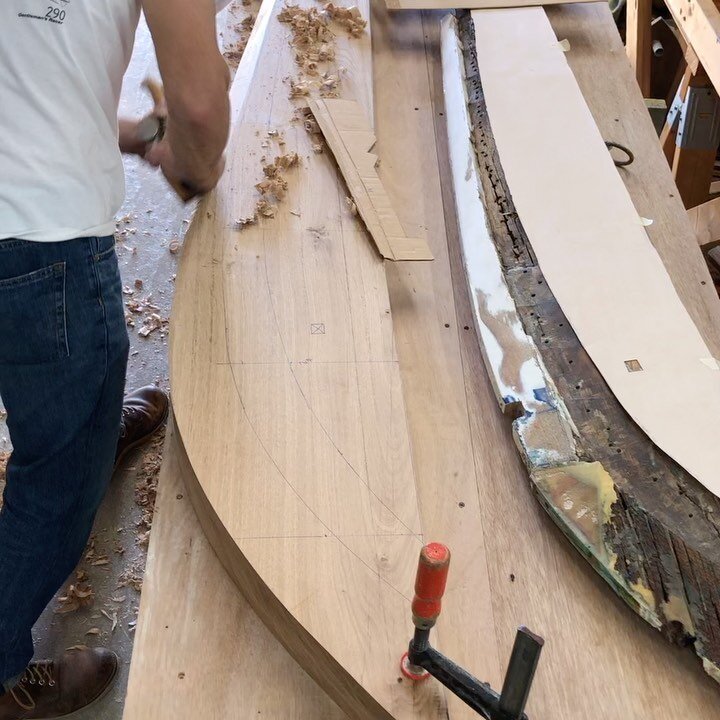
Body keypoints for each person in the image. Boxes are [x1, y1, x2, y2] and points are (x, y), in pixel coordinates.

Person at [0, 0, 231, 717]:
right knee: (62, 470)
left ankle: (82, 429)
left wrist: (131, 135)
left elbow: (34, 61)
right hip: (41, 241)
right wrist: (193, 165)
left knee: (67, 394)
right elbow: (197, 105)